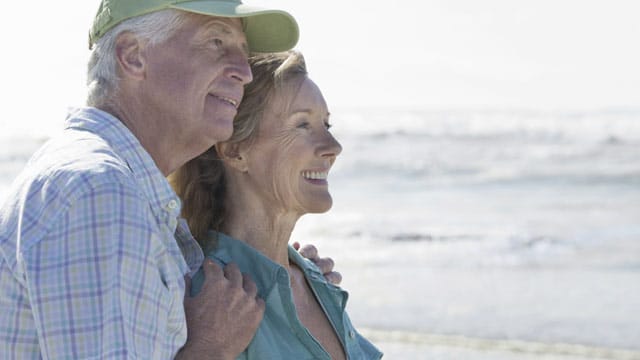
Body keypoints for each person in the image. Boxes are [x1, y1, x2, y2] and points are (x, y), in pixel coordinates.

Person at [0, 1, 338, 358]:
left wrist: (291, 286)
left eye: (243, 50)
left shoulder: (119, 191)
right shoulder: (98, 191)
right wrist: (210, 346)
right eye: (216, 43)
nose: (244, 71)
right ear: (133, 56)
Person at [171, 51, 383, 359]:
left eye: (326, 124)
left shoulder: (314, 280)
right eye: (302, 125)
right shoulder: (212, 301)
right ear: (235, 151)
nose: (333, 147)